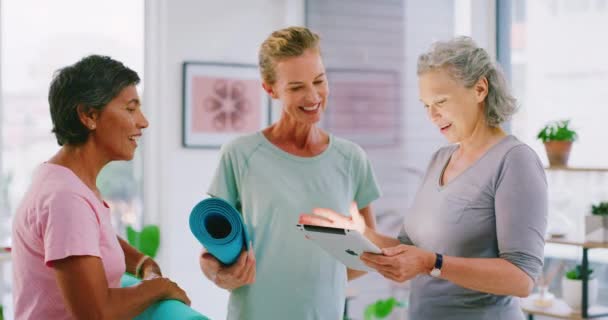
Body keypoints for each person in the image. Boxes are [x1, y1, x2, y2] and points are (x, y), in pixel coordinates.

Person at [299, 36, 548, 320]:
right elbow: (412, 251)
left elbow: (521, 278)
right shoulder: (440, 159)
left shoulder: (514, 160)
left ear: (480, 89)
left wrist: (434, 263)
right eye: (425, 105)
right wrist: (362, 234)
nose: (432, 115)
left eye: (441, 101)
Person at [199, 26, 381, 320]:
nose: (313, 96)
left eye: (319, 81)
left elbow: (369, 254)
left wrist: (321, 281)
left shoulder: (351, 158)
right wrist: (222, 276)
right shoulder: (240, 155)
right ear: (270, 89)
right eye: (296, 87)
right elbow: (209, 255)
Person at [12, 55, 190, 320]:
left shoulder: (62, 180)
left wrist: (141, 263)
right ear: (89, 115)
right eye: (131, 109)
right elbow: (96, 313)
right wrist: (160, 287)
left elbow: (88, 236)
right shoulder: (67, 198)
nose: (143, 122)